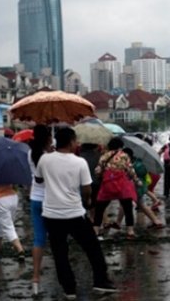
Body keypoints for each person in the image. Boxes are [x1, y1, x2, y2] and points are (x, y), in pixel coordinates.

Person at [34, 128, 116, 298]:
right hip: (74, 213)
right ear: (71, 142)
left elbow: (39, 179)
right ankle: (100, 281)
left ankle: (69, 288)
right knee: (92, 248)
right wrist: (87, 201)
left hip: (51, 215)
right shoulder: (79, 162)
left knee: (60, 253)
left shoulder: (44, 159)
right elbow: (86, 189)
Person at [93, 137, 139, 239]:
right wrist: (136, 180)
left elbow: (98, 171)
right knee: (127, 208)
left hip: (108, 185)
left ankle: (95, 230)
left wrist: (103, 175)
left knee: (100, 208)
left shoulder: (104, 156)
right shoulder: (124, 156)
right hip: (122, 185)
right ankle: (130, 231)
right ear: (120, 146)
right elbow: (130, 170)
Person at [28, 125, 52, 296]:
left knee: (38, 239)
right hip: (50, 200)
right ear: (48, 138)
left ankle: (35, 278)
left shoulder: (30, 153)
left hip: (35, 198)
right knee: (58, 239)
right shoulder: (47, 157)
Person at [117, 148, 164, 229]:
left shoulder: (130, 164)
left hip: (134, 187)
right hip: (138, 187)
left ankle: (118, 223)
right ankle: (156, 221)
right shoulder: (138, 162)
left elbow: (131, 175)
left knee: (130, 204)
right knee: (140, 205)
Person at [78, 143, 102, 221]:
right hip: (96, 182)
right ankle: (92, 220)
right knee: (94, 204)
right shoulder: (99, 156)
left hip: (82, 183)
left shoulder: (79, 157)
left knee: (82, 203)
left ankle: (83, 219)